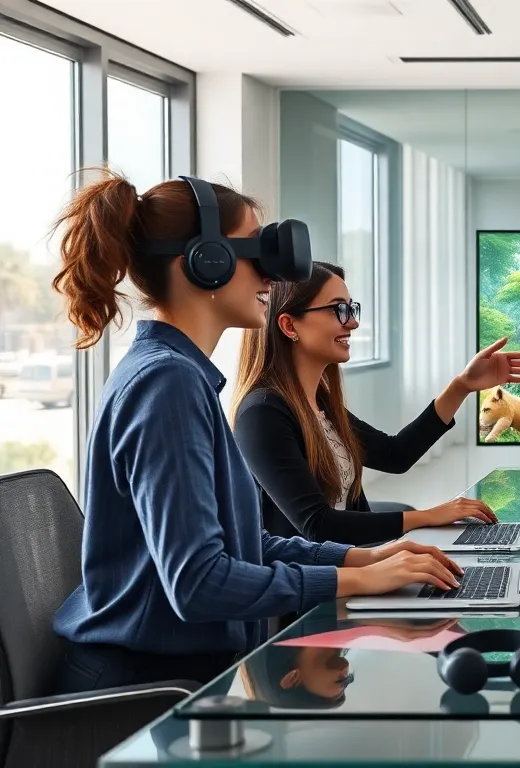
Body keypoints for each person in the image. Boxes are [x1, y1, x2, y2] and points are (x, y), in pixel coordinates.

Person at [48, 171, 464, 694]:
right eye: (257, 254)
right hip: (138, 695)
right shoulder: (166, 384)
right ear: (205, 261)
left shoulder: (181, 376)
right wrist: (355, 579)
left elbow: (244, 545)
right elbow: (198, 582)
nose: (270, 278)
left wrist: (365, 558)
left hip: (173, 676)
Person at [232, 261, 520, 545]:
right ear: (289, 326)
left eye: (352, 309)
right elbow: (317, 524)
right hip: (308, 594)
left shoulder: (319, 403)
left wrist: (463, 385)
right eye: (338, 310)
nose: (352, 323)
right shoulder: (262, 414)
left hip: (350, 567)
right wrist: (428, 517)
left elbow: (395, 455)